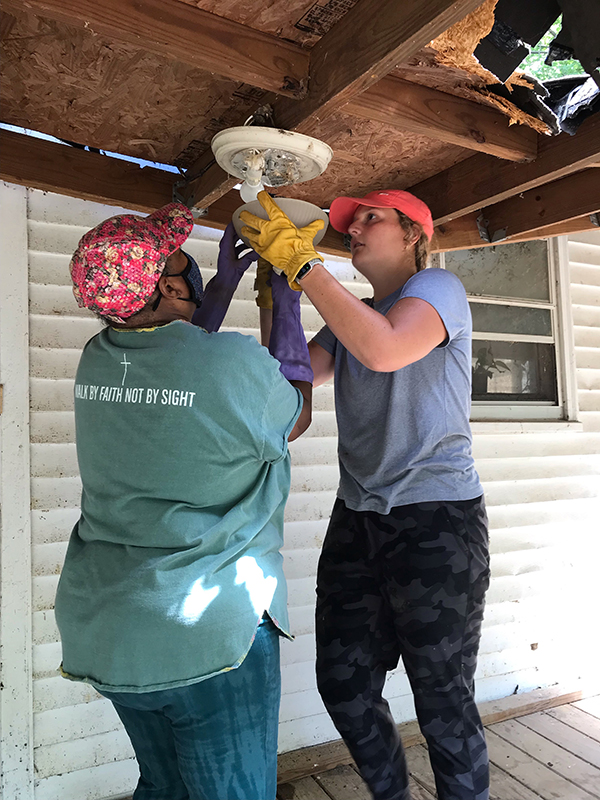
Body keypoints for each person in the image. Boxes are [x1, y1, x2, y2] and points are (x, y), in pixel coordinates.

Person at [54, 202, 313, 800]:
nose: (192, 273)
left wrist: (219, 289)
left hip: (108, 627)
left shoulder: (99, 357)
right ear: (168, 286)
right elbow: (291, 411)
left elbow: (183, 364)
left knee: (166, 787)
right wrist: (282, 300)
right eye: (182, 267)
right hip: (202, 634)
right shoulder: (230, 363)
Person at [241, 190, 491, 800]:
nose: (353, 228)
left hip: (436, 520)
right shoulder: (348, 318)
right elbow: (291, 387)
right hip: (358, 518)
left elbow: (384, 350)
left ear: (414, 235)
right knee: (345, 687)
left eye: (370, 219)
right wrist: (280, 297)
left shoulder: (437, 290)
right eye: (350, 223)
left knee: (441, 699)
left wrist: (305, 267)